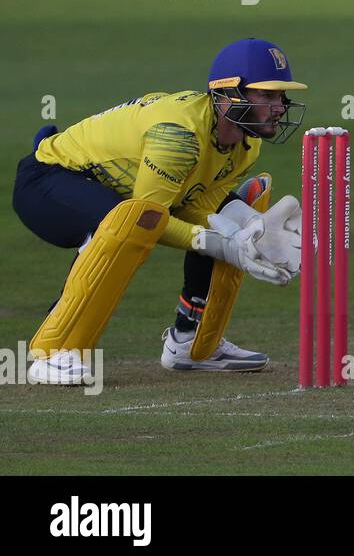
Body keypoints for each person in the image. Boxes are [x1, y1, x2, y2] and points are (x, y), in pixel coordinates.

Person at [11, 38, 307, 384]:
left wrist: (248, 227)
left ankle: (192, 342)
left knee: (232, 215)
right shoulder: (177, 136)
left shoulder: (246, 142)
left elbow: (197, 206)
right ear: (229, 94)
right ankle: (52, 352)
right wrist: (227, 245)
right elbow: (149, 219)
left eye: (281, 96)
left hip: (116, 194)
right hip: (48, 179)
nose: (280, 107)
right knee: (122, 225)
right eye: (267, 96)